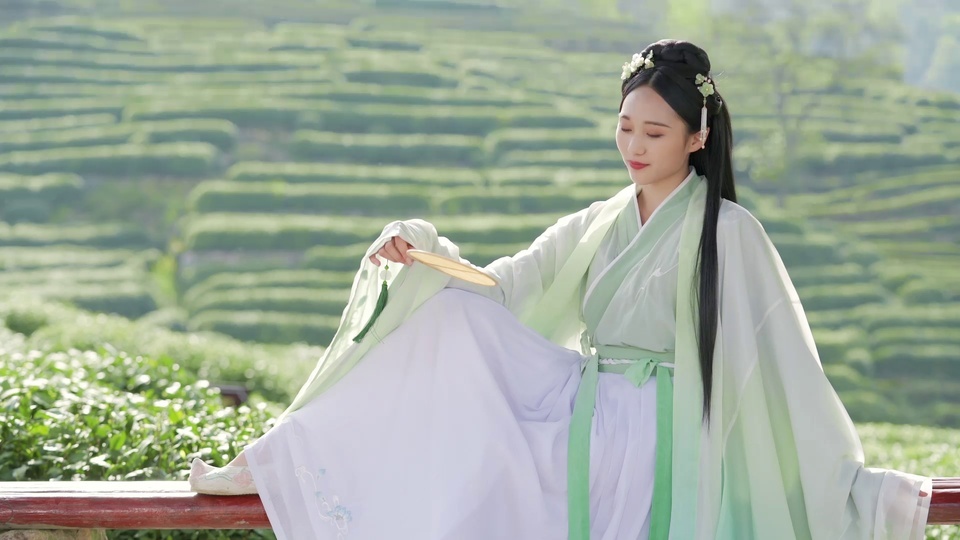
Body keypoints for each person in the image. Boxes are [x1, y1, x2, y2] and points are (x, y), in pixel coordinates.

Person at [188, 39, 932, 539]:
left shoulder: (728, 232)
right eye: (626, 128)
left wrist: (834, 473)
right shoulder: (601, 219)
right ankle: (287, 453)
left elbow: (782, 364)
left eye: (656, 134)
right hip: (590, 398)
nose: (635, 148)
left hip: (660, 425)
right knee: (453, 317)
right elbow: (506, 286)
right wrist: (425, 253)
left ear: (698, 137)